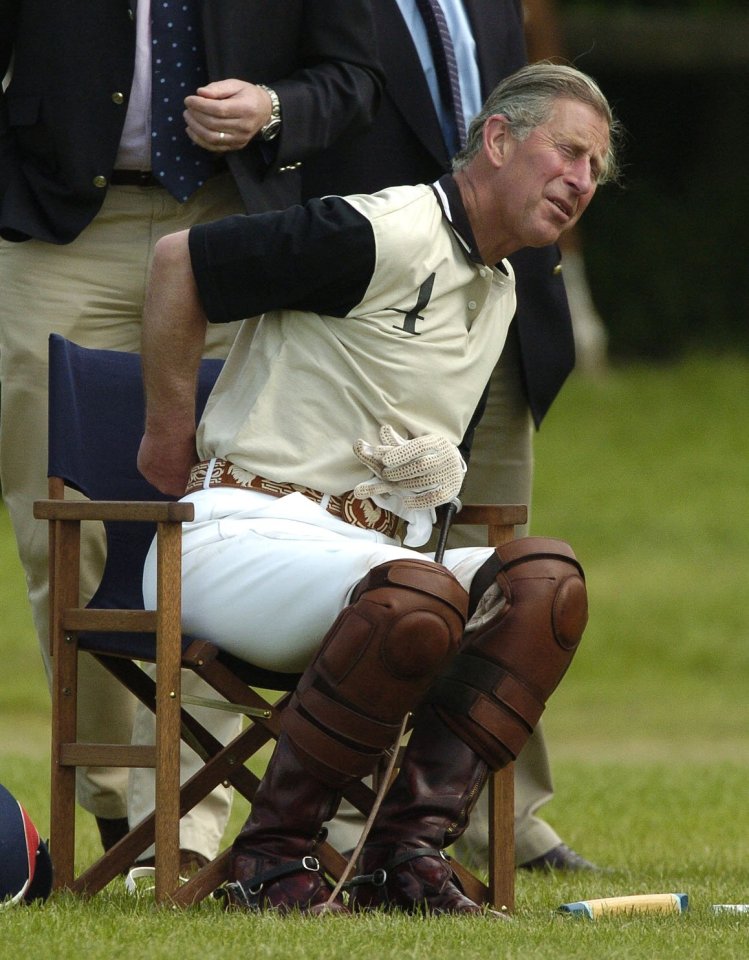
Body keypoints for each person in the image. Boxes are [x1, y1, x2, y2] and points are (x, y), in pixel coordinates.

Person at [137, 62, 619, 915]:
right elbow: (182, 262)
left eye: (594, 171)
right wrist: (166, 440)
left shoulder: (501, 286)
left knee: (544, 586)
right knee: (416, 598)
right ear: (499, 140)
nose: (580, 182)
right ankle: (269, 859)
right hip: (233, 534)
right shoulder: (382, 230)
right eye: (569, 153)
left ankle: (404, 856)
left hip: (370, 572)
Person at [0, 0, 382, 869]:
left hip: (230, 229)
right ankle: (110, 805)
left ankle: (183, 825)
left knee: (233, 527)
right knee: (63, 535)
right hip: (58, 233)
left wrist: (273, 110)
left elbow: (354, 78)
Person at [301, 0, 596, 872]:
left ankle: (494, 813)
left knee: (502, 565)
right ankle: (349, 808)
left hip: (505, 298)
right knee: (371, 553)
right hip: (383, 302)